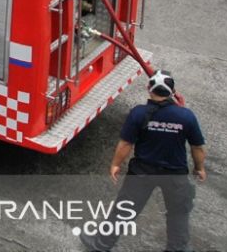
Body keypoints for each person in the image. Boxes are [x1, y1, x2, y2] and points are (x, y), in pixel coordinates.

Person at [82, 70, 207, 252]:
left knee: (124, 210)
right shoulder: (186, 116)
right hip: (175, 175)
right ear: (172, 91)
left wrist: (115, 164)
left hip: (142, 172)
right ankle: (177, 248)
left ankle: (100, 245)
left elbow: (126, 143)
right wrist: (199, 168)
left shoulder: (138, 114)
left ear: (149, 88)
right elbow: (197, 147)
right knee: (178, 214)